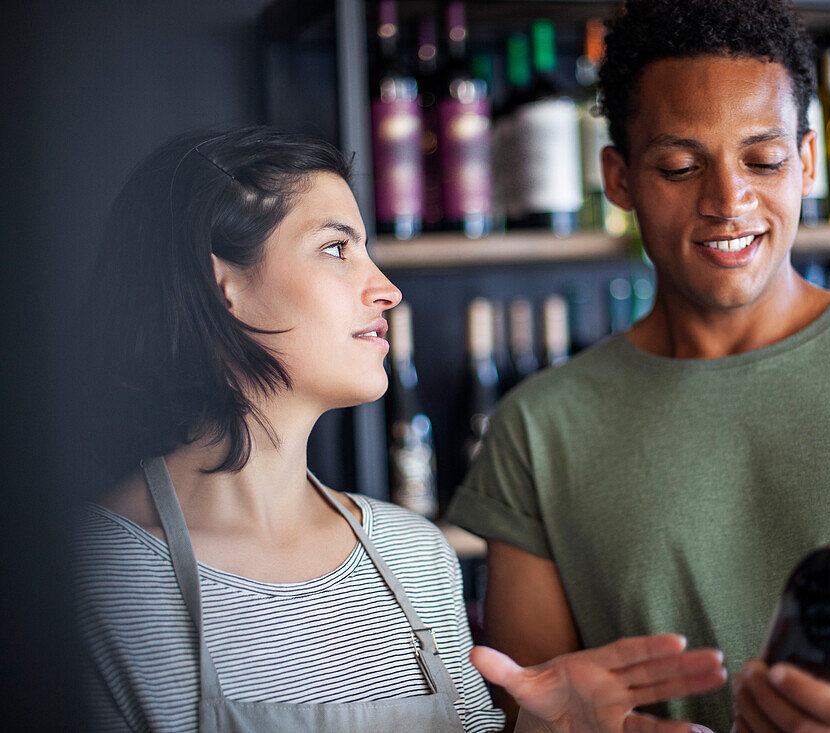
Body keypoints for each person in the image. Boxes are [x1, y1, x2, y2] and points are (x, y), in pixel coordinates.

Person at [445, 1, 830, 731]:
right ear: (618, 180)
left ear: (807, 162)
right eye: (680, 166)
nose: (728, 201)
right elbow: (534, 697)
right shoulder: (537, 427)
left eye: (763, 159)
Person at [73, 127, 729, 732]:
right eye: (337, 248)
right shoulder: (96, 578)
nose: (385, 288)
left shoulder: (416, 557)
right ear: (226, 290)